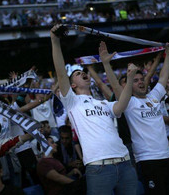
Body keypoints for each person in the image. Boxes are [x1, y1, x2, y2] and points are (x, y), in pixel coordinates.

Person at [50, 24, 138, 195]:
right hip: (99, 167)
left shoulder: (103, 103)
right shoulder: (72, 101)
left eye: (84, 72)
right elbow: (61, 73)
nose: (83, 73)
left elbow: (123, 104)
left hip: (125, 163)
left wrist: (129, 78)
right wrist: (54, 41)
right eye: (77, 73)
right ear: (72, 85)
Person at [101, 41, 169, 195]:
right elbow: (116, 86)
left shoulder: (155, 96)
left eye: (142, 79)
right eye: (135, 80)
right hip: (147, 160)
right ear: (129, 86)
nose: (140, 82)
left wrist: (168, 54)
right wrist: (106, 64)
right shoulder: (129, 102)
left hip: (168, 156)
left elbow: (164, 75)